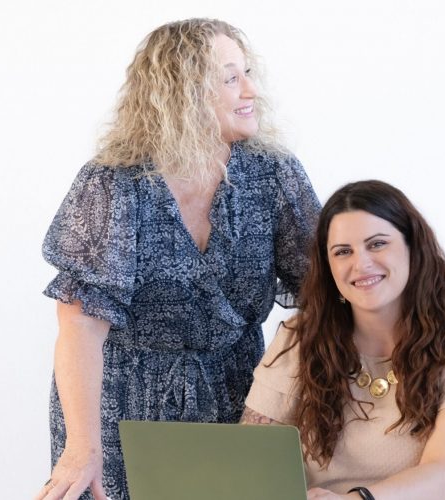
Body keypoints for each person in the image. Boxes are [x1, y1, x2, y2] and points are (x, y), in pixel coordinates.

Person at [34, 19, 320, 500]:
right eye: (231, 78)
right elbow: (81, 325)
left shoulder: (273, 173)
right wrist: (83, 447)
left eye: (247, 73)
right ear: (181, 92)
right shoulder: (114, 183)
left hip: (244, 400)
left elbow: (326, 296)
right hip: (119, 406)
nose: (251, 89)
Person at [242, 180, 445, 500]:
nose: (361, 264)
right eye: (343, 252)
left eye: (377, 244)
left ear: (413, 247)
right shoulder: (300, 338)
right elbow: (253, 455)